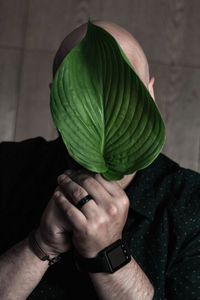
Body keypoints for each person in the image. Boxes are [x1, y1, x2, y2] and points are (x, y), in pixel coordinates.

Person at [0, 20, 199, 300]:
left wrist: (109, 254)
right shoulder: (8, 166)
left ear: (151, 94)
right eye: (78, 94)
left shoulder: (191, 202)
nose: (101, 108)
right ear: (54, 99)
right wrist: (39, 245)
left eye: (125, 93)